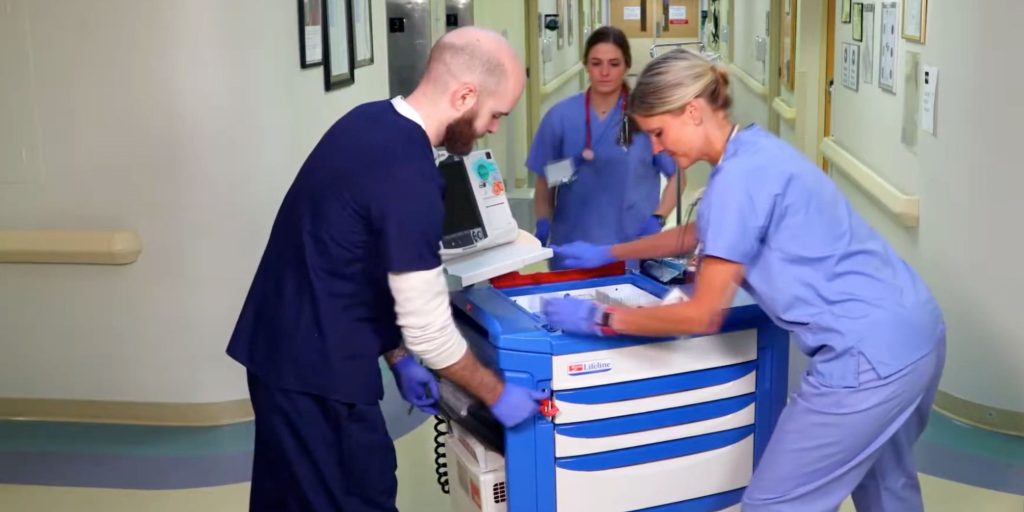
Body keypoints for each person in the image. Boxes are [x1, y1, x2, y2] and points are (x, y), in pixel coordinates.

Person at [542, 49, 946, 511]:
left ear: (692, 111)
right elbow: (703, 233)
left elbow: (701, 314)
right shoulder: (756, 149)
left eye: (658, 132)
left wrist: (601, 316)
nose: (655, 148)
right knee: (885, 488)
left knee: (773, 505)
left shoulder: (736, 180)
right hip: (917, 333)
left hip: (866, 359)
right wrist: (611, 252)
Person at [226, 27, 547, 512]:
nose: (493, 128)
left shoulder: (369, 121)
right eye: (495, 114)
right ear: (464, 95)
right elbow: (434, 336)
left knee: (288, 499)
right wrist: (497, 393)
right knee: (360, 495)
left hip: (278, 354)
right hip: (320, 377)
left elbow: (358, 259)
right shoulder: (411, 176)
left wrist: (396, 355)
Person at [526, 26, 681, 269]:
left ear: (627, 66)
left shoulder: (645, 118)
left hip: (630, 250)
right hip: (571, 250)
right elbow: (546, 181)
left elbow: (678, 174)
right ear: (586, 65)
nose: (605, 72)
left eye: (614, 63)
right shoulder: (561, 117)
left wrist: (658, 218)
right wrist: (543, 221)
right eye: (596, 63)